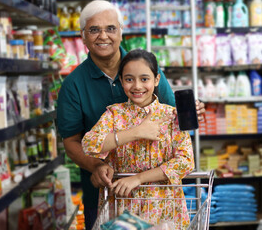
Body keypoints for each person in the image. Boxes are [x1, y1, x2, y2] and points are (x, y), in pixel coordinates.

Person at [56, 0, 205, 229]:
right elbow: (77, 142)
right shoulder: (75, 86)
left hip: (163, 201)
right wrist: (97, 164)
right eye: (94, 30)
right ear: (83, 36)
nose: (103, 36)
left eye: (110, 28)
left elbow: (176, 124)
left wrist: (190, 112)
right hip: (112, 192)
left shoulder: (148, 68)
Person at [82, 49, 195, 229]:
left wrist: (138, 179)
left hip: (164, 208)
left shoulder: (172, 115)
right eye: (129, 79)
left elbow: (185, 162)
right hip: (124, 209)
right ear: (121, 81)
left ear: (156, 80)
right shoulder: (114, 114)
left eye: (144, 79)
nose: (137, 86)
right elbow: (89, 145)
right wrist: (137, 132)